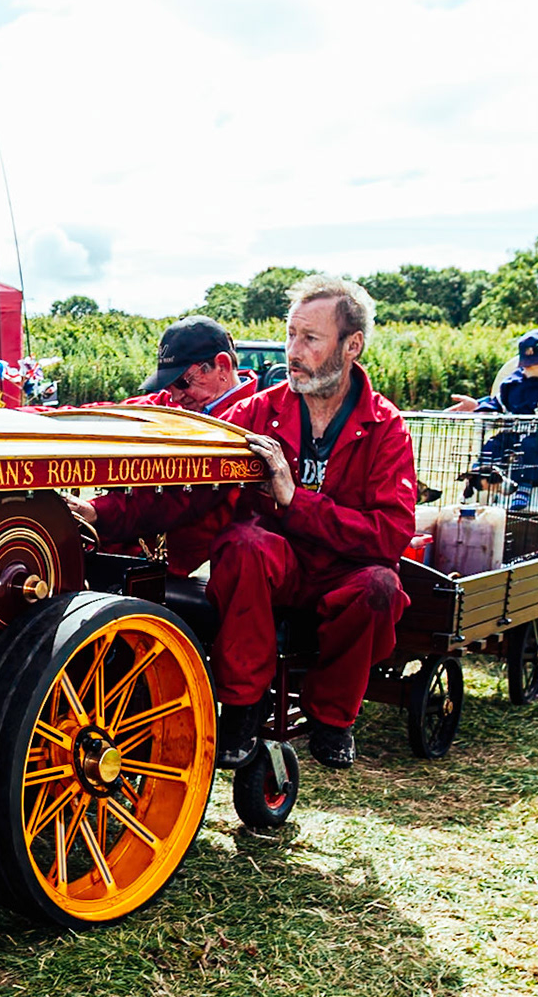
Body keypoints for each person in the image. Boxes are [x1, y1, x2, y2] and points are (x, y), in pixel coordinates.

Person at [151, 277, 416, 771]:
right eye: (291, 335)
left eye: (310, 338)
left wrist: (295, 501)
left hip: (344, 573)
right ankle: (241, 706)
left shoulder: (387, 427)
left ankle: (332, 717)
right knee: (243, 543)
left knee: (380, 586)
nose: (293, 351)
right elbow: (191, 493)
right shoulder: (256, 412)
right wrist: (101, 516)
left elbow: (389, 535)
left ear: (352, 345)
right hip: (276, 568)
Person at [64, 316, 257, 576]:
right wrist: (35, 417)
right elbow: (107, 415)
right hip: (136, 546)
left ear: (222, 366)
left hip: (175, 566)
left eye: (182, 382)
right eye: (169, 385)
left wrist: (97, 511)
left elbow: (181, 499)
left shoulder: (249, 421)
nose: (175, 395)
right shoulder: (173, 404)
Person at [447, 328, 538, 509]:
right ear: (529, 364)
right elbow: (498, 402)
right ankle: (476, 482)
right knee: (493, 445)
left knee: (532, 447)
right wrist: (481, 408)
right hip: (512, 432)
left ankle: (524, 487)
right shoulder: (512, 385)